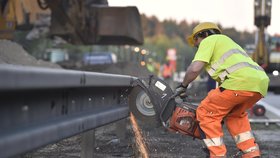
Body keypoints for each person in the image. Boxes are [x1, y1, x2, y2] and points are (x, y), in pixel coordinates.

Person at [175, 22, 269, 158]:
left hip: (239, 83)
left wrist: (183, 85)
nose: (197, 47)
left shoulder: (209, 40)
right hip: (259, 84)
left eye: (197, 42)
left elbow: (194, 69)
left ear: (204, 34)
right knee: (235, 115)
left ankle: (217, 155)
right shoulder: (229, 43)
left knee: (206, 112)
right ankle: (251, 153)